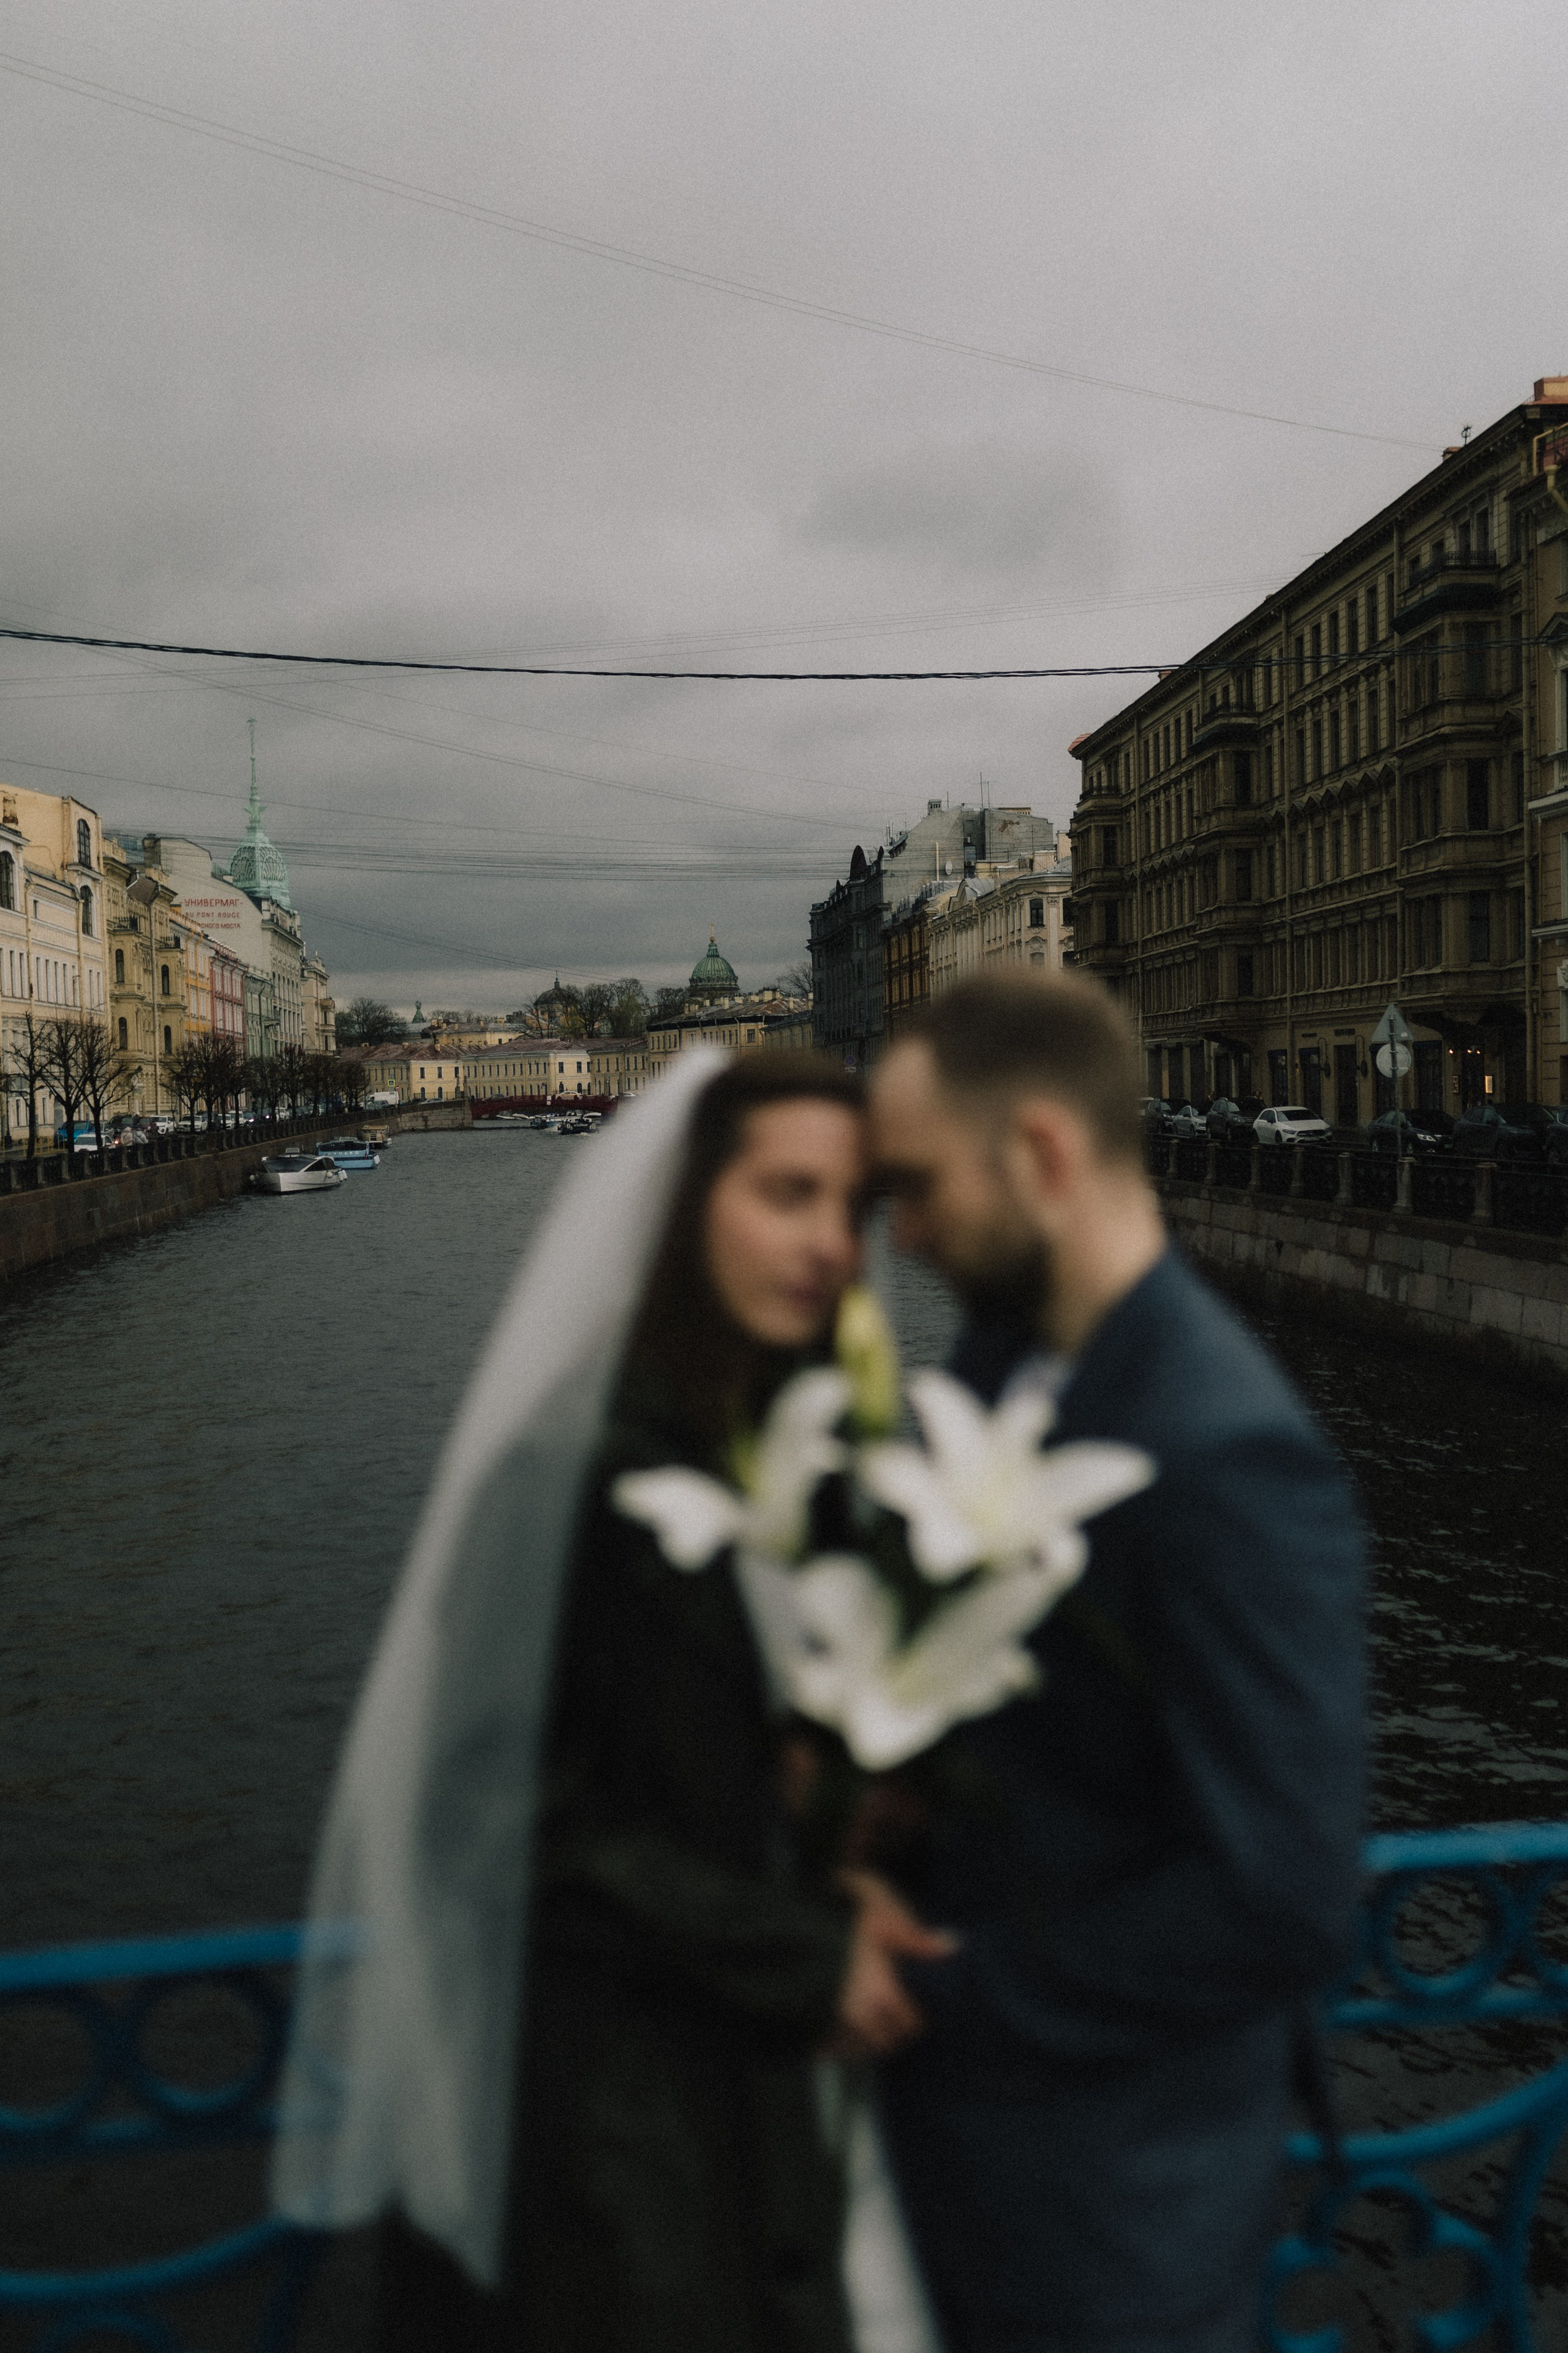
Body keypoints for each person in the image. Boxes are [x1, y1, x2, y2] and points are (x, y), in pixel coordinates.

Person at [273, 1049, 946, 2353]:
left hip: (753, 2094)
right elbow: (481, 1813)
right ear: (685, 1211)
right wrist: (795, 1948)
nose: (828, 1242)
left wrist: (835, 1833)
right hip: (616, 2135)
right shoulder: (564, 1467)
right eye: (785, 1193)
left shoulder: (769, 1441)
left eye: (849, 1208)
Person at [867, 974, 1366, 2353]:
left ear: (1037, 1153)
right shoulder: (998, 1365)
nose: (895, 1235)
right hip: (966, 2174)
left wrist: (935, 1992)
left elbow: (1277, 1893)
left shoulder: (1226, 1447)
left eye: (912, 1186)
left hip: (1103, 2218)